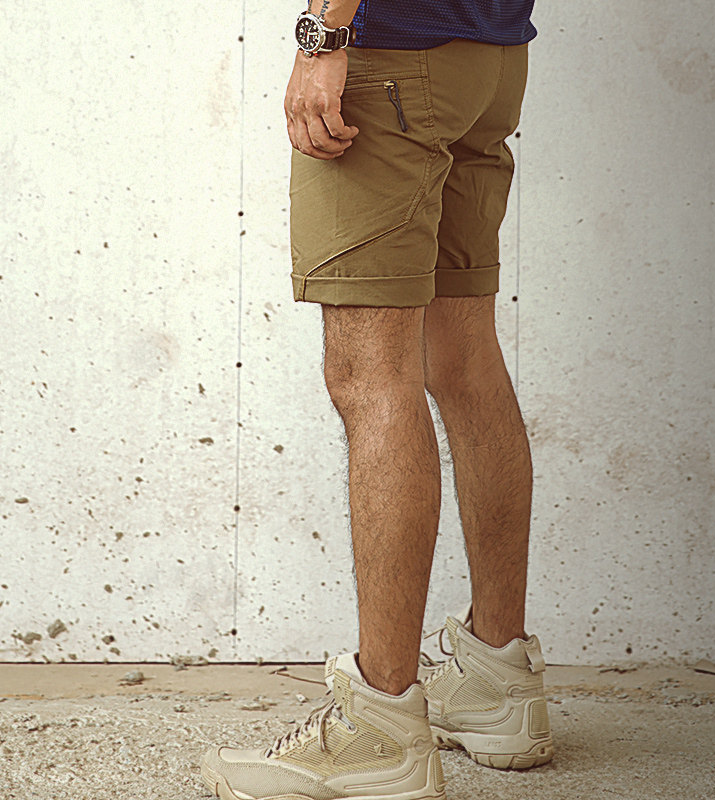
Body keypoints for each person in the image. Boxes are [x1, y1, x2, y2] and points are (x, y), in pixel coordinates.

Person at [201, 2, 553, 797]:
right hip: (490, 58)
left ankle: (381, 726)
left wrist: (325, 32)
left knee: (371, 376)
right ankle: (499, 679)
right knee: (463, 355)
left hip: (390, 58)